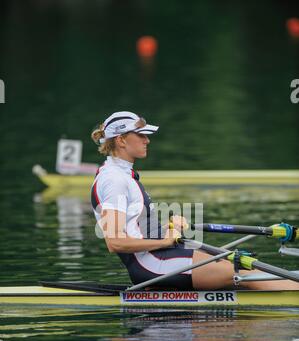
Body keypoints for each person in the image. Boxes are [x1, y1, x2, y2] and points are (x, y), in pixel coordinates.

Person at [91, 111, 298, 291]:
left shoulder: (123, 175)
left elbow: (137, 231)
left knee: (236, 261)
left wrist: (168, 228)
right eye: (141, 135)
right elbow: (115, 242)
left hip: (160, 255)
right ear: (121, 140)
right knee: (241, 269)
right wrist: (165, 240)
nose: (147, 140)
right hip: (151, 264)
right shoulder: (113, 179)